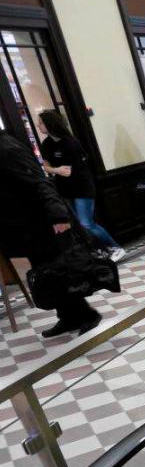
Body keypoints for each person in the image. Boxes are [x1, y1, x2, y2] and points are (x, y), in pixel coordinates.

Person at [0, 130, 101, 337]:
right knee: (47, 273)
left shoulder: (7, 148)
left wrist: (58, 215)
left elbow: (39, 182)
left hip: (42, 222)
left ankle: (86, 315)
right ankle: (68, 317)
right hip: (25, 226)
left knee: (59, 270)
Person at [37, 111, 125, 263]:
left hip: (82, 187)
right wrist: (57, 170)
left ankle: (115, 247)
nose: (38, 125)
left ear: (50, 123)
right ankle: (99, 250)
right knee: (79, 225)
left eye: (41, 123)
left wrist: (68, 170)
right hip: (65, 189)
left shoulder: (70, 142)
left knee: (86, 223)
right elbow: (46, 166)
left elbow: (80, 166)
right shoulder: (46, 144)